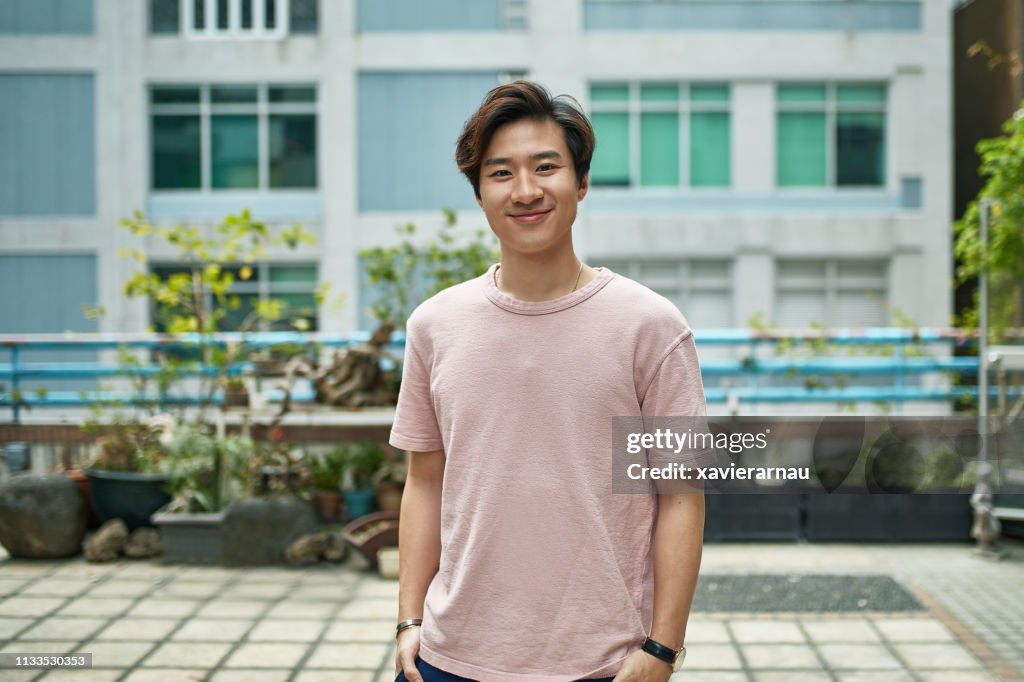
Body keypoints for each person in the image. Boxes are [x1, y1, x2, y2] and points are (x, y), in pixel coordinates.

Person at [389, 80, 710, 682]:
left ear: (581, 183)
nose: (527, 191)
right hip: (447, 658)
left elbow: (682, 498)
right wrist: (409, 621)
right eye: (501, 173)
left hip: (601, 664)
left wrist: (662, 650)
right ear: (480, 193)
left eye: (546, 167)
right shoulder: (434, 325)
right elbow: (424, 483)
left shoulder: (651, 327)